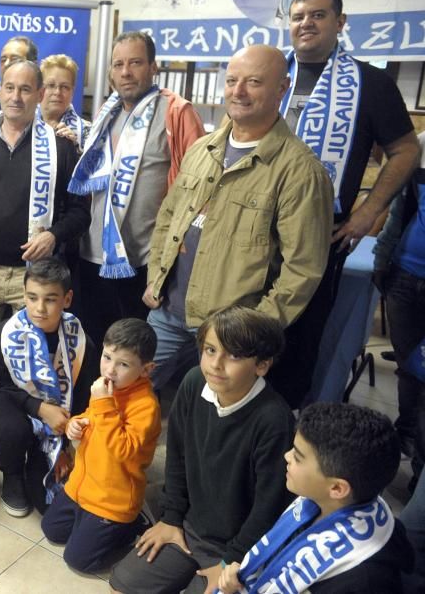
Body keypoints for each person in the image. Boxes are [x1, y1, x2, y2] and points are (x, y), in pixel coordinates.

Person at [143, 44, 333, 395]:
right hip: (168, 313)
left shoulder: (300, 171)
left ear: (282, 88)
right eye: (232, 80)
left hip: (230, 335)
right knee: (125, 397)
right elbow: (169, 215)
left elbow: (302, 270)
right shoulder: (203, 149)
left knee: (215, 423)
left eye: (254, 82)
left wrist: (253, 332)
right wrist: (156, 277)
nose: (238, 91)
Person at [278, 0, 422, 406]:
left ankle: (284, 440)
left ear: (340, 23)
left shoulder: (371, 83)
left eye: (318, 15)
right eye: (298, 15)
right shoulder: (270, 74)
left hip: (320, 236)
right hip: (253, 231)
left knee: (297, 344)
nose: (306, 23)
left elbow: (406, 150)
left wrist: (369, 212)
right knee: (244, 334)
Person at [109, 306, 295, 594]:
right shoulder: (194, 381)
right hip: (190, 525)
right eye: (210, 350)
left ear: (262, 365)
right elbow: (177, 456)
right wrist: (171, 518)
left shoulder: (274, 419)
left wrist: (232, 560)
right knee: (122, 587)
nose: (216, 364)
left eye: (233, 355)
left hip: (239, 548)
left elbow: (269, 505)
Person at [0, 60, 91, 432]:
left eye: (25, 89)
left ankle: (28, 412)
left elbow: (81, 214)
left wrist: (53, 235)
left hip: (35, 279)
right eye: (9, 88)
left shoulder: (62, 149)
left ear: (39, 94)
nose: (15, 97)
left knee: (35, 352)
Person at [69, 32, 204, 351]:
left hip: (143, 259)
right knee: (95, 345)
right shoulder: (106, 112)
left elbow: (202, 183)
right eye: (118, 64)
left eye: (135, 63)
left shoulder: (175, 111)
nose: (126, 72)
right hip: (93, 255)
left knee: (138, 352)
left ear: (153, 67)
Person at [217, 402, 411, 593]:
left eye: (298, 457)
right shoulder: (326, 501)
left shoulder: (363, 581)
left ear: (336, 488)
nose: (286, 456)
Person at [42, 317, 160, 573]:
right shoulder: (107, 390)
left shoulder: (145, 406)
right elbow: (92, 419)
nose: (110, 370)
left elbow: (123, 451)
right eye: (107, 357)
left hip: (113, 499)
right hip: (82, 486)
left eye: (123, 364)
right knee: (50, 529)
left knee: (78, 560)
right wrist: (77, 423)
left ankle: (131, 525)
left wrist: (103, 404)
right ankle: (94, 528)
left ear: (146, 369)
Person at [0, 258, 96, 517]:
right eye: (32, 298)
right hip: (16, 409)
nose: (39, 308)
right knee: (9, 431)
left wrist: (66, 444)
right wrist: (39, 407)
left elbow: (83, 398)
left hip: (59, 424)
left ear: (67, 299)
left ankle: (38, 456)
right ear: (23, 294)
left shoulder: (80, 341)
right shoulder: (4, 334)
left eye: (50, 299)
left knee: (47, 506)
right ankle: (12, 473)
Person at [374, 131, 425, 485]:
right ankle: (406, 432)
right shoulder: (419, 145)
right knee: (410, 367)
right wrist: (382, 257)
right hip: (407, 273)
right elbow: (399, 208)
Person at [37, 54, 91, 148]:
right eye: (51, 85)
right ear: (39, 89)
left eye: (65, 87)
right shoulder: (23, 124)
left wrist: (74, 148)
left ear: (72, 92)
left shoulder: (89, 131)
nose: (58, 92)